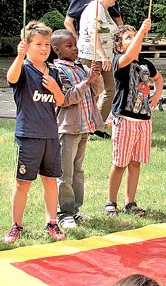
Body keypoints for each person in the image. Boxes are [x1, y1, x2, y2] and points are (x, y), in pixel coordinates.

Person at [4, 21, 65, 244]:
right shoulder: (23, 70)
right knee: (23, 183)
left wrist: (55, 89)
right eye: (38, 44)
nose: (43, 48)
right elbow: (10, 77)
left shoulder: (54, 72)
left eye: (47, 44)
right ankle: (16, 225)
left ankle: (52, 222)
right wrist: (19, 57)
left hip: (50, 135)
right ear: (27, 45)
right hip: (28, 136)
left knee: (50, 181)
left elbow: (61, 101)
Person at [104, 19, 164, 217]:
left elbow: (158, 78)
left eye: (134, 35)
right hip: (124, 118)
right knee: (120, 163)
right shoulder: (119, 61)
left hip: (143, 119)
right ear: (119, 46)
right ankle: (111, 202)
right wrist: (141, 31)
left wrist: (157, 93)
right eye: (127, 37)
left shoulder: (146, 63)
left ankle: (130, 202)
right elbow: (130, 54)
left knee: (135, 162)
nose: (133, 38)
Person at [51, 29, 104, 229]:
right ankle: (63, 212)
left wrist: (95, 77)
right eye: (69, 46)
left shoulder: (81, 68)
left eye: (75, 45)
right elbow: (66, 99)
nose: (75, 49)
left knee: (78, 171)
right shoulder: (57, 71)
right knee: (65, 173)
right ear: (56, 49)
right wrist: (87, 81)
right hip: (67, 129)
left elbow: (96, 92)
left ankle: (75, 209)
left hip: (84, 126)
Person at [77, 0, 124, 139]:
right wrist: (103, 56)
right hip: (92, 56)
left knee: (110, 89)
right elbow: (92, 33)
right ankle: (87, 126)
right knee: (93, 91)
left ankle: (96, 126)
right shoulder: (94, 9)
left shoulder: (105, 10)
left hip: (106, 56)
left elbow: (110, 32)